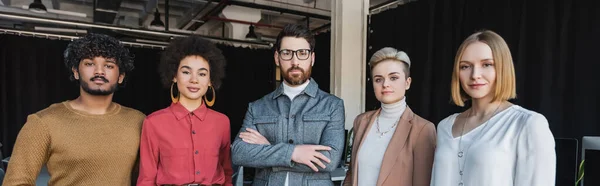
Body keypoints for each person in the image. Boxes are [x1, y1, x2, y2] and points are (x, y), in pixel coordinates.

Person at [3, 33, 145, 185]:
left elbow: (148, 176)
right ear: (76, 72)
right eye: (89, 64)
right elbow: (16, 182)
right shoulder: (43, 122)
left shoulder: (139, 121)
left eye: (109, 65)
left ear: (121, 76)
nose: (99, 71)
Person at [430, 30, 556, 186]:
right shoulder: (445, 126)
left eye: (487, 64)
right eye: (465, 66)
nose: (475, 74)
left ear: (503, 68)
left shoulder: (527, 124)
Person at [231, 24, 345, 186]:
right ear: (277, 58)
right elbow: (239, 153)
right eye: (287, 53)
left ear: (312, 58)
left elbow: (329, 161)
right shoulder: (257, 107)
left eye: (302, 53)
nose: (295, 61)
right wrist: (294, 153)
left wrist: (269, 148)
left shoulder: (332, 106)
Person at [137, 36, 232, 186]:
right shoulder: (153, 122)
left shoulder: (222, 122)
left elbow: (227, 172)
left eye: (202, 74)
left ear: (210, 81)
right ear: (174, 76)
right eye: (186, 72)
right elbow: (146, 179)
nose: (194, 80)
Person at [342, 47, 436, 186]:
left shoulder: (423, 129)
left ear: (407, 82)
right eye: (378, 79)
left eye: (393, 78)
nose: (385, 84)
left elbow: (423, 182)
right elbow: (351, 174)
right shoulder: (361, 121)